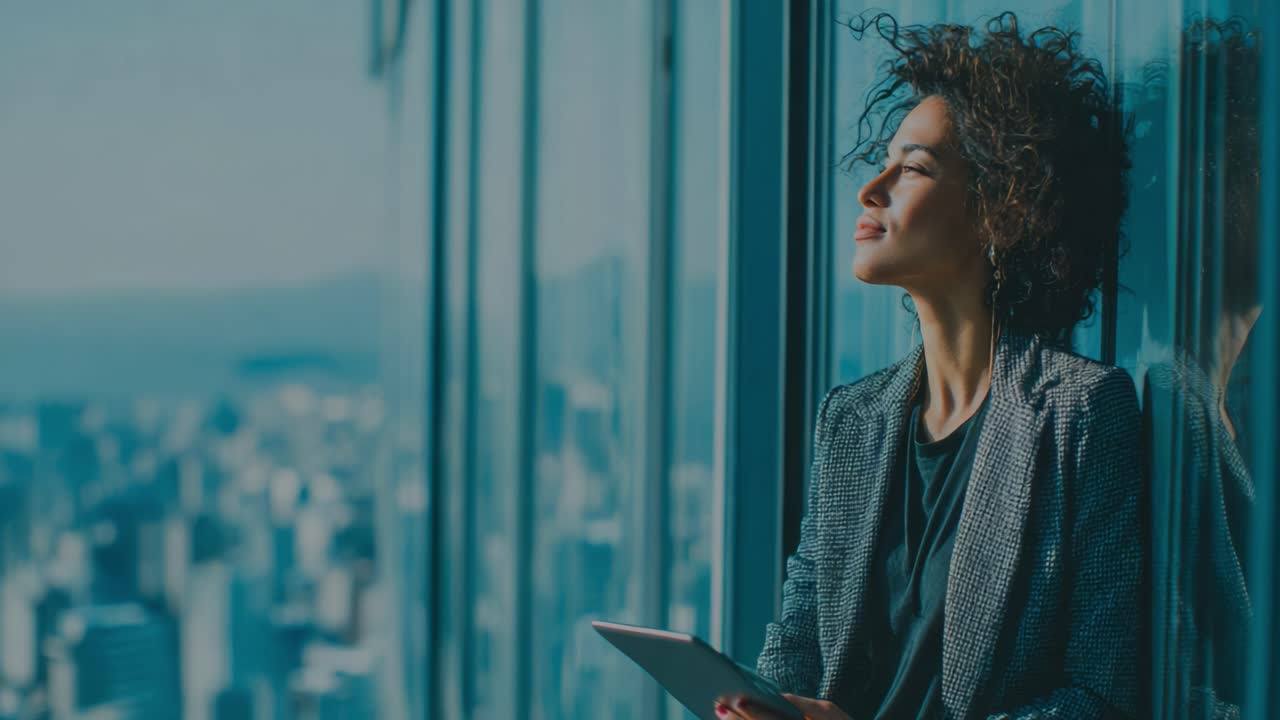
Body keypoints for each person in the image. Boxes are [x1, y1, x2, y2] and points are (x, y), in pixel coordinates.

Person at [718, 12, 1141, 719]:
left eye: (912, 167)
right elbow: (794, 648)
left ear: (1002, 210)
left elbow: (1100, 698)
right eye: (881, 160)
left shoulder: (1083, 413)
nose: (871, 188)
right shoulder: (849, 420)